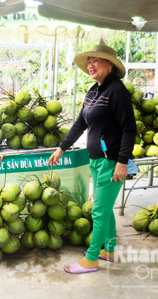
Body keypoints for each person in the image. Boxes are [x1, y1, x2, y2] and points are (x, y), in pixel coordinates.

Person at [48, 44, 136, 274]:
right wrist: (61, 148)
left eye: (97, 60)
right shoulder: (93, 91)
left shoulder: (117, 90)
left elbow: (129, 128)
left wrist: (122, 161)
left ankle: (91, 258)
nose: (91, 64)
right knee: (104, 208)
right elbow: (80, 123)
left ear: (110, 65)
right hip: (96, 160)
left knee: (98, 210)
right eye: (89, 61)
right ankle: (108, 249)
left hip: (111, 161)